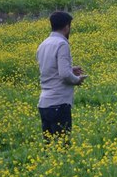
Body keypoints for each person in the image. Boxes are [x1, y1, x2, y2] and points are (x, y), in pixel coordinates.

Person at [36, 11, 87, 142]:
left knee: (48, 146)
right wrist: (77, 80)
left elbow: (50, 69)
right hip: (59, 103)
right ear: (66, 27)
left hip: (44, 103)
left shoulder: (43, 44)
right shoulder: (62, 44)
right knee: (63, 146)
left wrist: (70, 69)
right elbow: (64, 74)